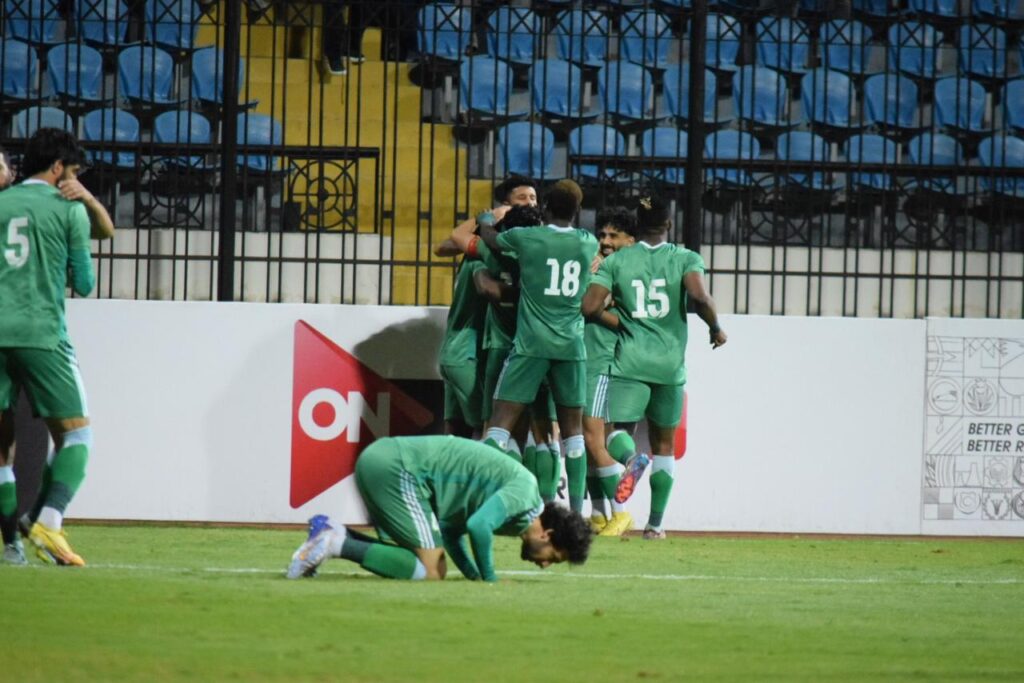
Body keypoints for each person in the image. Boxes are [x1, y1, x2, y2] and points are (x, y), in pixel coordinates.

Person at [582, 194, 727, 540]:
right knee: (664, 445)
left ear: (638, 225)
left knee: (613, 432)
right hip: (670, 365)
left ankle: (632, 459)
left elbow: (589, 307)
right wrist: (715, 328)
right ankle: (656, 526)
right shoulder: (686, 258)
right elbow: (700, 298)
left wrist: (622, 323)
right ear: (669, 224)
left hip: (630, 361)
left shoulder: (617, 261)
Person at [456, 183, 600, 515]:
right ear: (577, 211)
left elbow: (493, 240)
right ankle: (575, 514)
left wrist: (486, 221)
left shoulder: (527, 239)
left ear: (545, 206)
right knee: (572, 435)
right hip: (571, 348)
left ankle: (485, 503)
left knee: (499, 425)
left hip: (530, 345)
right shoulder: (587, 241)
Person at [286, 435, 592, 581]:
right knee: (432, 571)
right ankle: (332, 543)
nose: (545, 565)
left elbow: (450, 530)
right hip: (399, 469)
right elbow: (478, 526)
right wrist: (489, 580)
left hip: (384, 460)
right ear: (547, 535)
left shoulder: (517, 520)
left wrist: (472, 575)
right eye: (554, 557)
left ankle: (333, 532)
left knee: (419, 559)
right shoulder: (525, 493)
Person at [0, 129, 96, 566]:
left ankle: (14, 545)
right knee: (77, 434)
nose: (74, 179)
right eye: (73, 171)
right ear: (58, 168)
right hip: (41, 333)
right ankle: (49, 521)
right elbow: (85, 283)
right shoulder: (68, 209)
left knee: (2, 450)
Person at [582, 208, 638, 537]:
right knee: (591, 440)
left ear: (631, 241)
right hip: (585, 360)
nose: (605, 241)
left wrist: (593, 307)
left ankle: (620, 512)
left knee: (593, 438)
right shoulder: (599, 266)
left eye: (613, 236)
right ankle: (597, 513)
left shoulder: (626, 275)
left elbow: (629, 324)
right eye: (602, 234)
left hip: (601, 362)